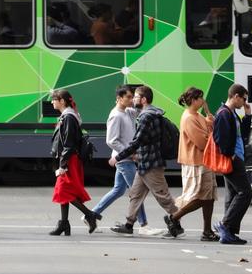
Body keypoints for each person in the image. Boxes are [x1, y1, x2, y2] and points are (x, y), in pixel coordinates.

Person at [108, 85, 183, 238]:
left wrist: (118, 157)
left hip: (151, 163)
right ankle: (129, 225)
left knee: (163, 196)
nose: (133, 99)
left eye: (135, 96)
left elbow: (137, 142)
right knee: (135, 194)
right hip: (144, 163)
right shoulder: (151, 113)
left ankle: (177, 225)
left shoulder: (146, 117)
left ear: (143, 99)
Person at [90, 86, 152, 232]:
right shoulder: (115, 115)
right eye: (128, 97)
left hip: (126, 158)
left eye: (132, 97)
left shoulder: (128, 111)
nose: (131, 99)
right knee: (137, 192)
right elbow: (111, 141)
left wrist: (139, 100)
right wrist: (128, 154)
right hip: (125, 159)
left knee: (118, 190)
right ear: (119, 98)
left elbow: (141, 110)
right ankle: (144, 225)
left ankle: (92, 214)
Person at [171, 87, 218, 241]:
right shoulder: (189, 118)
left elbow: (208, 131)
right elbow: (202, 143)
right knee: (200, 196)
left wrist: (209, 118)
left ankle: (207, 230)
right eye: (200, 98)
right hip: (196, 162)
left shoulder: (197, 115)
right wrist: (210, 133)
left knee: (209, 196)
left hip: (204, 161)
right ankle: (174, 217)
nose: (203, 101)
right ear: (193, 100)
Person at [48, 89, 98, 235]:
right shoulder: (68, 116)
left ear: (62, 101)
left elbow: (69, 144)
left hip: (69, 160)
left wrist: (63, 165)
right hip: (68, 159)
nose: (52, 102)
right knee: (65, 191)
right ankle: (64, 223)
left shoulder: (68, 117)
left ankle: (90, 215)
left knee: (63, 191)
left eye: (54, 99)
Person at [212, 83, 252, 244]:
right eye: (243, 99)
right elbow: (220, 138)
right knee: (245, 193)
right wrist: (230, 155)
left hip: (237, 157)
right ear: (235, 96)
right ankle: (225, 225)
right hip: (232, 159)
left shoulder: (232, 113)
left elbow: (241, 134)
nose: (244, 102)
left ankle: (229, 232)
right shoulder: (223, 113)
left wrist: (248, 116)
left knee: (233, 194)